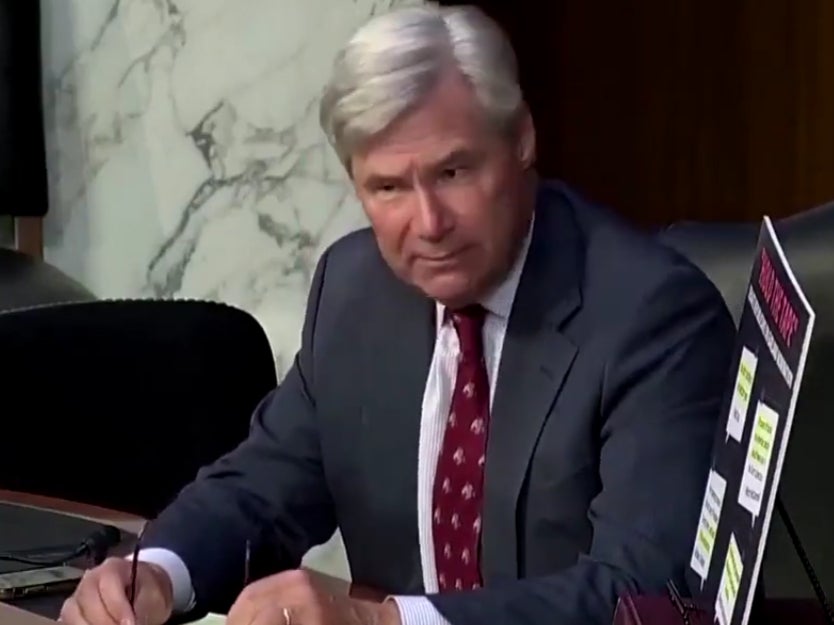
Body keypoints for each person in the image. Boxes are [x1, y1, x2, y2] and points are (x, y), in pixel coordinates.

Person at [60, 4, 736, 625]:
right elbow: (260, 488)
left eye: (454, 172)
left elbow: (643, 589)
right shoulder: (356, 289)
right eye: (388, 186)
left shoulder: (652, 316)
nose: (429, 223)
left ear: (523, 139)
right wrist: (156, 575)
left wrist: (382, 621)